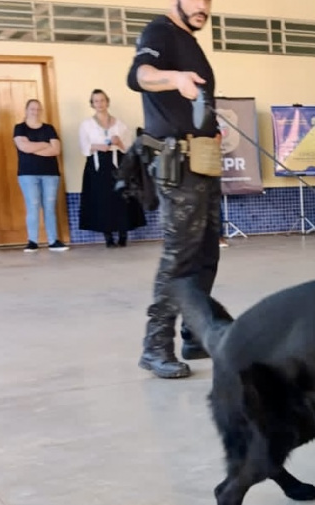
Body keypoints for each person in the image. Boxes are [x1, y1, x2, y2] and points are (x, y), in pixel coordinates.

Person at [126, 0, 222, 379]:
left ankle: (194, 330)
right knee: (179, 256)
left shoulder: (189, 39)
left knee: (206, 252)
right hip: (177, 165)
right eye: (196, 0)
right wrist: (175, 78)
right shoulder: (159, 32)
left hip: (202, 160)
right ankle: (155, 346)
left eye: (208, 2)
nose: (204, 7)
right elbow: (140, 74)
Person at [78, 88, 146, 247]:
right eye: (96, 101)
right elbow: (84, 147)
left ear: (107, 102)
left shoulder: (120, 124)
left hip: (118, 162)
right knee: (102, 199)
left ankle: (123, 234)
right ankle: (108, 236)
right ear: (92, 104)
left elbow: (129, 148)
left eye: (102, 100)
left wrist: (119, 143)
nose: (100, 104)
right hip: (98, 165)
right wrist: (98, 146)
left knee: (121, 197)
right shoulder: (86, 125)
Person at [13, 99, 68, 253]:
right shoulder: (20, 128)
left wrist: (33, 148)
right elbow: (23, 146)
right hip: (27, 174)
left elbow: (56, 150)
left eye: (38, 109)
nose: (35, 112)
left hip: (50, 174)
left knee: (49, 207)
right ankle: (32, 241)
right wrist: (45, 144)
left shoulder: (49, 128)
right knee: (33, 206)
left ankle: (53, 241)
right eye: (32, 109)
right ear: (26, 110)